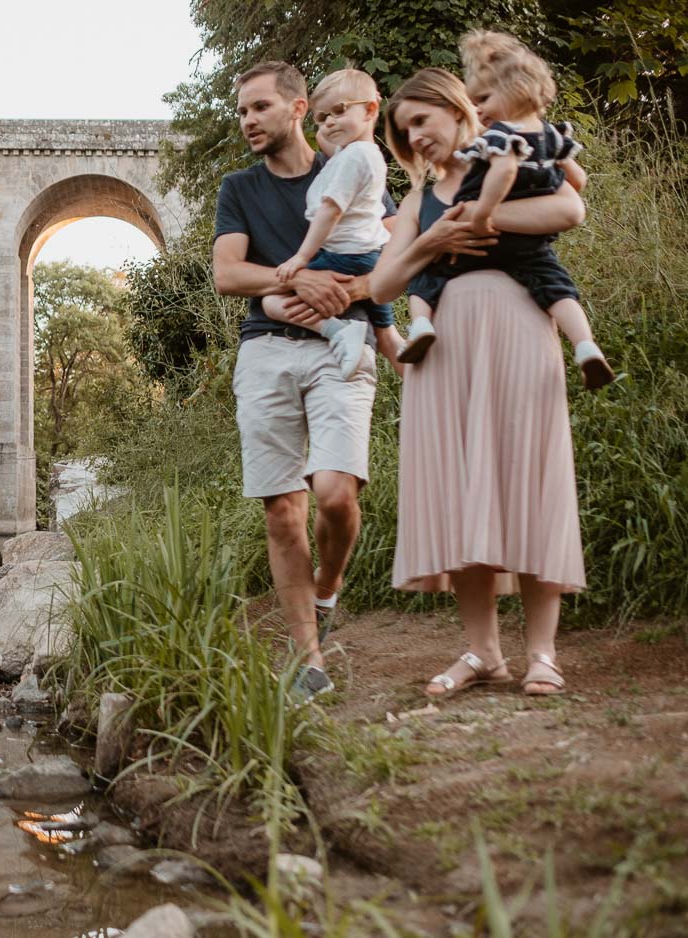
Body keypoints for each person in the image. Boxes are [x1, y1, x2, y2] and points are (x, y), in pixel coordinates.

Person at [371, 67, 587, 698]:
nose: (415, 137)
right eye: (404, 130)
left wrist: (486, 219)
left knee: (531, 476)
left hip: (520, 327)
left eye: (422, 121)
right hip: (444, 349)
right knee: (464, 491)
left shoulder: (511, 158)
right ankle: (483, 653)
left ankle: (543, 652)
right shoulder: (417, 201)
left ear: (456, 109)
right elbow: (382, 287)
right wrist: (434, 238)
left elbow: (571, 207)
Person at [213, 61, 389, 701]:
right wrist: (293, 280)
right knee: (284, 510)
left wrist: (345, 289)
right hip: (266, 350)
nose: (248, 121)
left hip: (345, 344)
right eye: (241, 111)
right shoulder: (239, 188)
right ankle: (309, 661)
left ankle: (326, 593)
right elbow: (229, 276)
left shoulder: (355, 161)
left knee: (337, 494)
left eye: (258, 107)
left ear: (298, 107)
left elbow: (396, 258)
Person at [399, 31, 615, 390]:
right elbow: (577, 179)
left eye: (483, 99)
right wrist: (544, 186)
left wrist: (483, 214)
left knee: (429, 273)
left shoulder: (499, 136)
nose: (478, 109)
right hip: (529, 243)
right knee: (556, 286)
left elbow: (504, 172)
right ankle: (586, 346)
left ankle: (420, 324)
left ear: (515, 91)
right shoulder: (552, 135)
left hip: (478, 232)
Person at [266, 68, 404, 377]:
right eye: (322, 116)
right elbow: (331, 145)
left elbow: (330, 211)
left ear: (370, 110)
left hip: (343, 257)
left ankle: (337, 330)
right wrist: (336, 121)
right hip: (370, 257)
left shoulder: (353, 159)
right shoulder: (361, 154)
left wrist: (302, 257)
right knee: (388, 335)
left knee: (273, 301)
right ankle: (428, 387)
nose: (329, 122)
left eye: (339, 111)